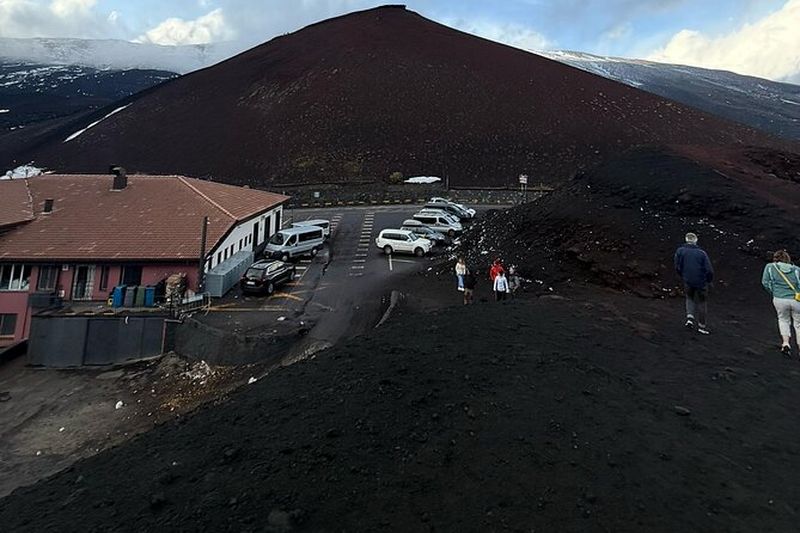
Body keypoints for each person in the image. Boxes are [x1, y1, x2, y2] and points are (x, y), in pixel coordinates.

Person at [761, 250, 800, 358]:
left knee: (783, 320)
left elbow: (765, 282)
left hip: (779, 299)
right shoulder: (796, 270)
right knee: (798, 324)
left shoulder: (770, 267)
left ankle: (786, 343)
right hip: (796, 300)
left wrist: (773, 291)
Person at [674, 232, 714, 335]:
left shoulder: (680, 251)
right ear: (696, 240)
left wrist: (682, 275)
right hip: (701, 282)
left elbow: (677, 266)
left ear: (686, 240)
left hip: (687, 279)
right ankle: (701, 327)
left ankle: (690, 318)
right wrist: (709, 280)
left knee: (689, 297)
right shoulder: (702, 253)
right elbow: (709, 270)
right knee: (702, 302)